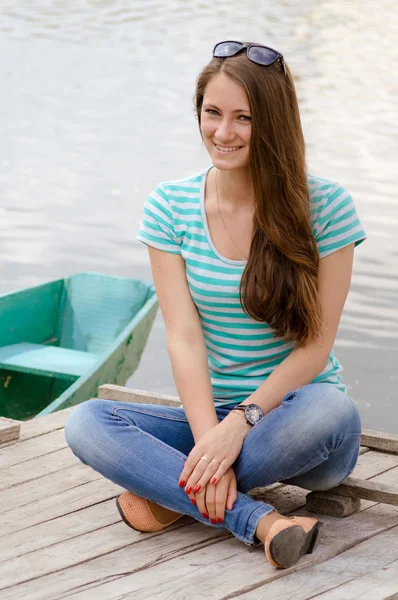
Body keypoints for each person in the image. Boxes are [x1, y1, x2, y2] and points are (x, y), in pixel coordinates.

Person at [65, 41, 366, 569]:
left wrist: (240, 426)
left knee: (332, 409)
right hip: (210, 418)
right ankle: (260, 521)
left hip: (298, 424)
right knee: (87, 421)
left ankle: (167, 494)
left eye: (243, 117)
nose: (222, 133)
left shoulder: (327, 207)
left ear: (272, 122)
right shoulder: (170, 206)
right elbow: (182, 338)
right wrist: (211, 438)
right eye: (212, 113)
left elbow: (316, 350)